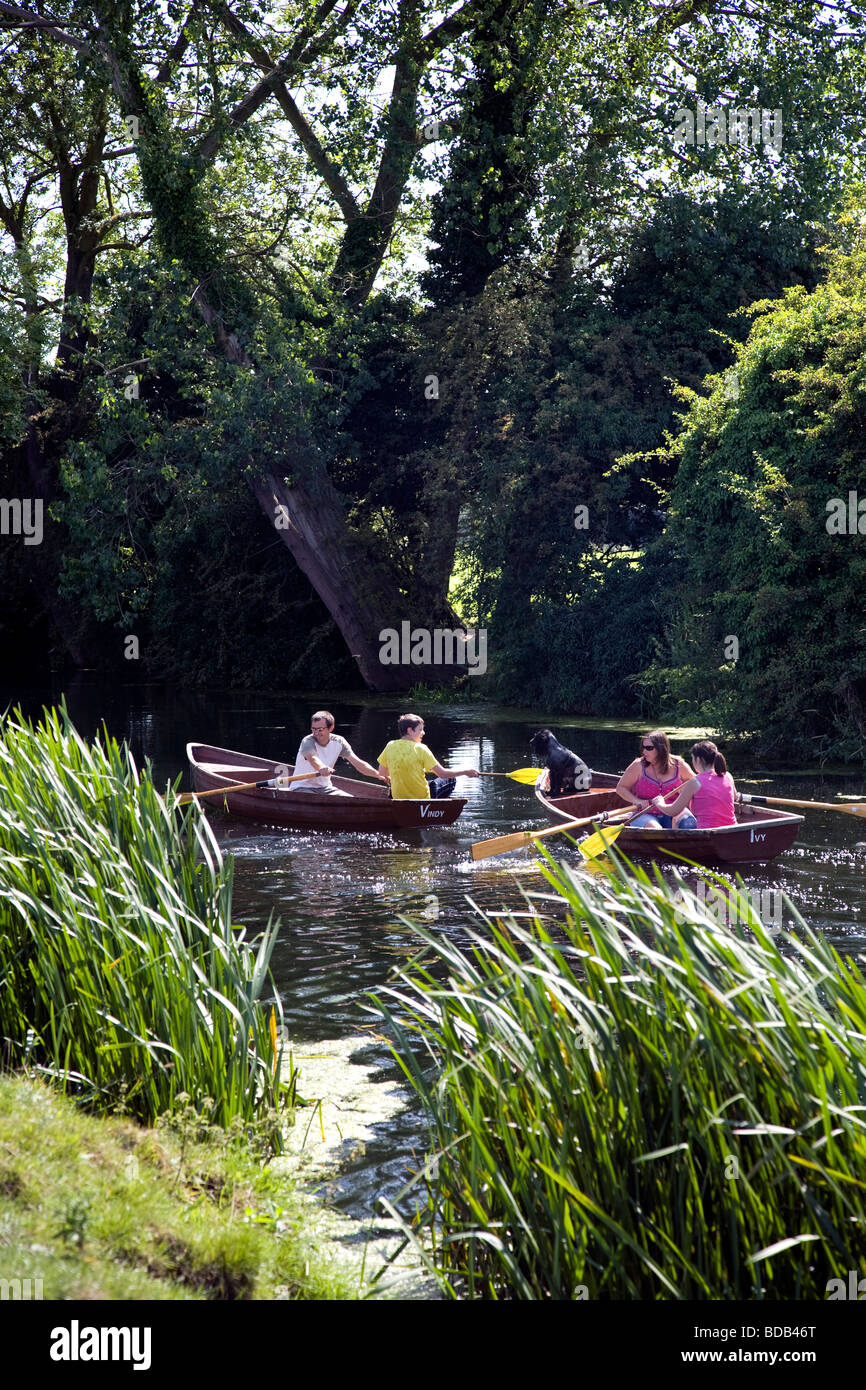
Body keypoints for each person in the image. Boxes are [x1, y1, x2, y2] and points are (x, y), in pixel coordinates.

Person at [378, 714, 480, 800]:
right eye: (420, 729)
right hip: (422, 799)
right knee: (451, 779)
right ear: (410, 730)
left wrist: (397, 774)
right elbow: (443, 774)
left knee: (430, 783)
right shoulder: (421, 748)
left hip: (399, 799)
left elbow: (382, 773)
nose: (423, 733)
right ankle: (434, 808)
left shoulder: (390, 745)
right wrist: (465, 772)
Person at [645, 740, 737, 830]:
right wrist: (688, 794)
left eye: (692, 758)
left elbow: (672, 811)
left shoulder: (694, 782)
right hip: (732, 828)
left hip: (707, 831)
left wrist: (659, 803)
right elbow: (734, 797)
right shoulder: (728, 775)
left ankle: (676, 844)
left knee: (677, 817)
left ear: (698, 759)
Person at [291, 711, 386, 795]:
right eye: (313, 729)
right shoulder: (307, 741)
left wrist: (378, 775)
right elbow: (313, 758)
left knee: (350, 800)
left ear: (331, 728)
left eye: (320, 729)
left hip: (325, 788)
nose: (316, 733)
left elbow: (359, 764)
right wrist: (321, 768)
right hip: (301, 788)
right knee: (316, 801)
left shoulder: (339, 742)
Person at [616, 730, 695, 829]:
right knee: (655, 829)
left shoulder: (679, 764)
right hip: (645, 814)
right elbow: (621, 788)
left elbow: (696, 784)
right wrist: (636, 800)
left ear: (661, 748)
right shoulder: (638, 765)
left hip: (673, 811)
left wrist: (686, 792)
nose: (644, 751)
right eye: (643, 748)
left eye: (649, 748)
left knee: (689, 822)